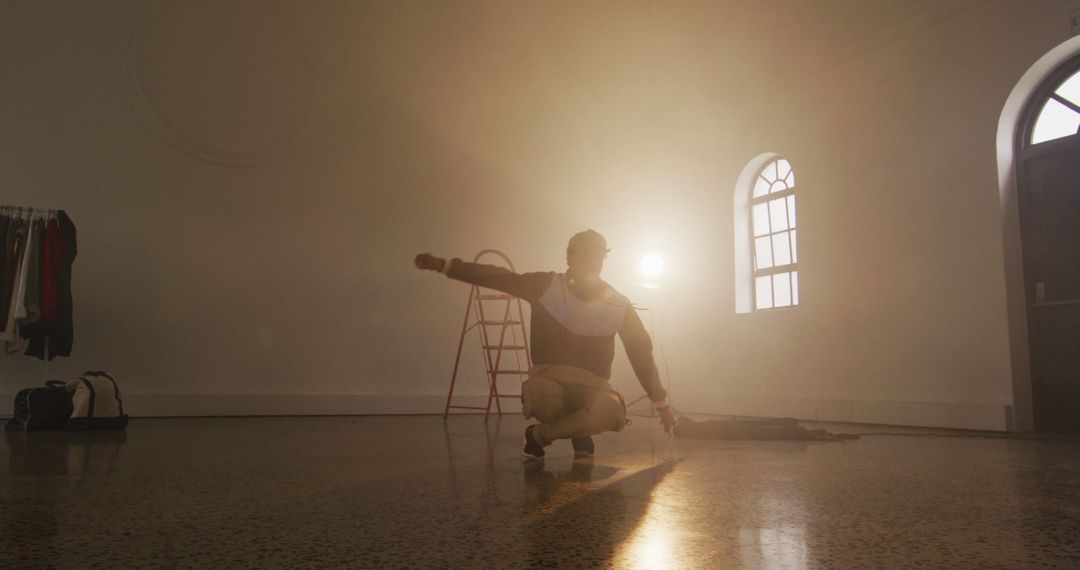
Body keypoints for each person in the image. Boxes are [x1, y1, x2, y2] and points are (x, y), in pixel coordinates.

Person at [415, 229, 675, 459]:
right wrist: (445, 265)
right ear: (570, 257)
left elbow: (641, 355)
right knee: (540, 398)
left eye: (598, 256)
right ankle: (578, 430)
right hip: (549, 378)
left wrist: (662, 404)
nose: (593, 261)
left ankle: (539, 435)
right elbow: (498, 277)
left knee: (612, 411)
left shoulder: (618, 304)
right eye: (586, 253)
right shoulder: (546, 285)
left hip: (592, 386)